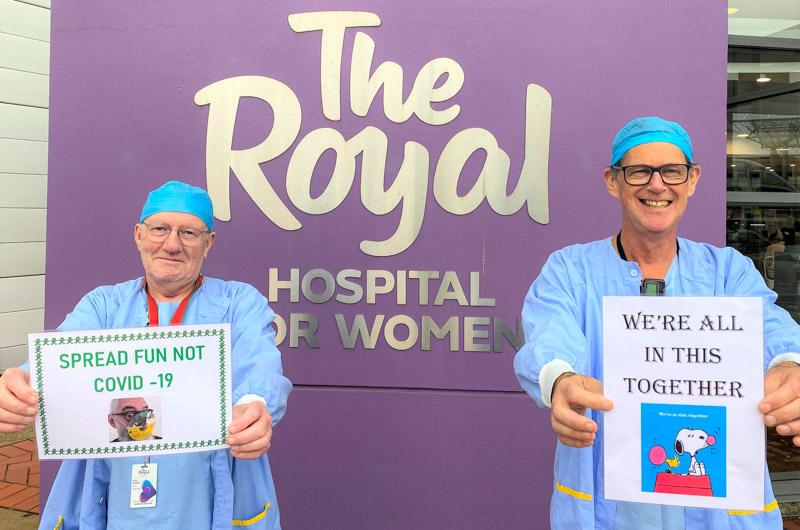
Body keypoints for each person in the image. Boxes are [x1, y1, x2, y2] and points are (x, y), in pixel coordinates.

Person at [513, 117, 800, 529]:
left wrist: (788, 366)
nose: (657, 184)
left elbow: (772, 329)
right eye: (639, 172)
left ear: (693, 179)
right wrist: (560, 380)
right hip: (606, 508)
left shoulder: (728, 273)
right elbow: (549, 337)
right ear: (613, 181)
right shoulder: (570, 271)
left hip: (714, 511)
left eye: (671, 171)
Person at [0, 181, 292, 529]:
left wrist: (258, 404)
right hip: (114, 481)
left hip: (210, 481)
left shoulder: (239, 302)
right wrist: (23, 383)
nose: (172, 244)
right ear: (139, 235)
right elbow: (63, 356)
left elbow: (261, 364)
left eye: (188, 232)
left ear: (208, 243)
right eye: (159, 229)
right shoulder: (104, 305)